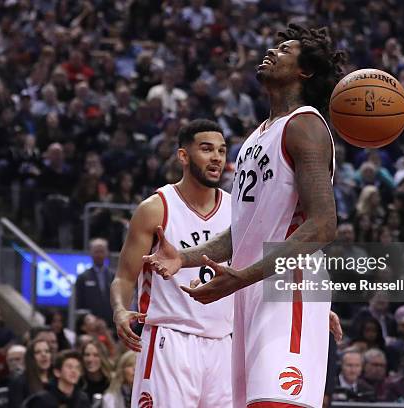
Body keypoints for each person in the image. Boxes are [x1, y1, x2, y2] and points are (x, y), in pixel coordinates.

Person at [143, 24, 344, 407]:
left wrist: (242, 277)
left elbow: (323, 225)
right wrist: (183, 257)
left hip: (290, 285)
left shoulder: (306, 125)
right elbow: (245, 229)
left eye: (284, 50)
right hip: (251, 288)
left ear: (304, 71)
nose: (272, 50)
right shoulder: (256, 136)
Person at [111, 119, 234, 406]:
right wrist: (119, 310)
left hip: (223, 344)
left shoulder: (236, 210)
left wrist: (308, 307)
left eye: (222, 150)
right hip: (170, 340)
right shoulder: (155, 208)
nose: (216, 156)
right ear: (183, 156)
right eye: (206, 149)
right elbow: (125, 277)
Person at [25, 350, 90, 408]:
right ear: (57, 372)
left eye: (77, 368)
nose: (74, 371)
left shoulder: (82, 399)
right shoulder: (42, 400)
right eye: (69, 367)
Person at [75, 240, 115, 330]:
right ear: (91, 253)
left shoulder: (114, 276)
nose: (99, 255)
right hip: (90, 325)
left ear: (107, 253)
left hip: (112, 325)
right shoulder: (82, 277)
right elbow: (78, 304)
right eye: (96, 252)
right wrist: (88, 318)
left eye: (102, 251)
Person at [8, 339, 52, 408]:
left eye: (47, 351)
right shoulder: (19, 382)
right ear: (30, 358)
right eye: (37, 352)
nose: (44, 355)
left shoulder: (56, 379)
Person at [80, 338, 113, 403]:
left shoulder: (112, 382)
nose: (90, 359)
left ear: (103, 358)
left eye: (96, 355)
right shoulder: (77, 382)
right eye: (87, 355)